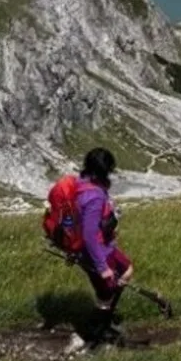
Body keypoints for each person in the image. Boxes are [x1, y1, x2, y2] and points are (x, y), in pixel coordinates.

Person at [73, 148, 134, 346]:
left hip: (102, 246)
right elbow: (89, 234)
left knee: (125, 271)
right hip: (99, 251)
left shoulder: (83, 184)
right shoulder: (95, 196)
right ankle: (98, 330)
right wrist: (102, 267)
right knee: (106, 292)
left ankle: (103, 318)